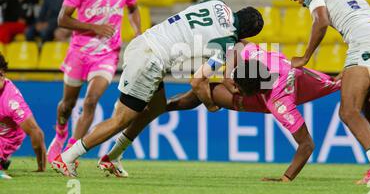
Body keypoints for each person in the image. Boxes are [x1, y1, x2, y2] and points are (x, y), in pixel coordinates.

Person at [51, 0, 264, 177]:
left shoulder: (217, 3)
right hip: (151, 60)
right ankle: (67, 157)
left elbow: (196, 27)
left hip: (146, 43)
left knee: (156, 107)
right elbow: (197, 81)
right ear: (248, 34)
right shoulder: (226, 42)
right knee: (121, 119)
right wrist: (210, 104)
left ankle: (112, 157)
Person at [98, 41, 341, 181]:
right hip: (313, 78)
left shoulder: (279, 102)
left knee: (196, 97)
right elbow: (238, 45)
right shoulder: (256, 57)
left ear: (254, 91)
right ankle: (156, 108)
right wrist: (228, 78)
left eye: (237, 87)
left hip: (304, 87)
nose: (232, 86)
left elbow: (307, 144)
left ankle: (154, 108)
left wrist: (286, 178)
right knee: (196, 95)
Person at [281, 0, 370, 184]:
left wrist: (306, 56)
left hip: (366, 40)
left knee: (348, 111)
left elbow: (321, 21)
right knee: (365, 99)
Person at [46, 0, 141, 163]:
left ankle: (70, 153)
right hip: (79, 52)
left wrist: (138, 32)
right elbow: (62, 19)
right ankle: (60, 133)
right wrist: (94, 27)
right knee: (67, 105)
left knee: (90, 101)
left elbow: (133, 8)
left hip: (107, 54)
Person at [0, 52, 46, 180]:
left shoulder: (12, 102)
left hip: (6, 138)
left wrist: (41, 166)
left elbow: (36, 132)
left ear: (2, 74)